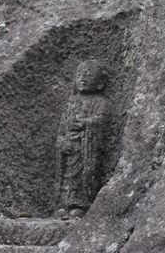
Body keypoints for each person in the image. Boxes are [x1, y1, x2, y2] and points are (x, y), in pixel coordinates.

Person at [55, 60, 110, 219]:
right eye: (79, 75)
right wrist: (63, 140)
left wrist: (86, 124)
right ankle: (64, 204)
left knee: (84, 175)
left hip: (87, 147)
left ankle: (80, 204)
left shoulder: (101, 102)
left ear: (100, 82)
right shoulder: (71, 102)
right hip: (70, 146)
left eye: (88, 75)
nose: (82, 78)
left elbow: (103, 121)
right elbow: (63, 126)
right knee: (67, 176)